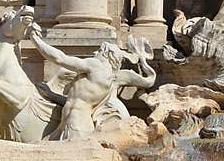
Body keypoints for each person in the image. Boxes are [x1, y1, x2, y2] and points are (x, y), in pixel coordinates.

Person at [28, 24, 156, 141]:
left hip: (76, 124)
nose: (96, 53)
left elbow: (60, 58)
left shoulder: (97, 65)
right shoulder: (110, 79)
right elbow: (79, 99)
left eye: (100, 51)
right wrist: (52, 95)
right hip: (73, 123)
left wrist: (35, 39)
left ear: (107, 54)